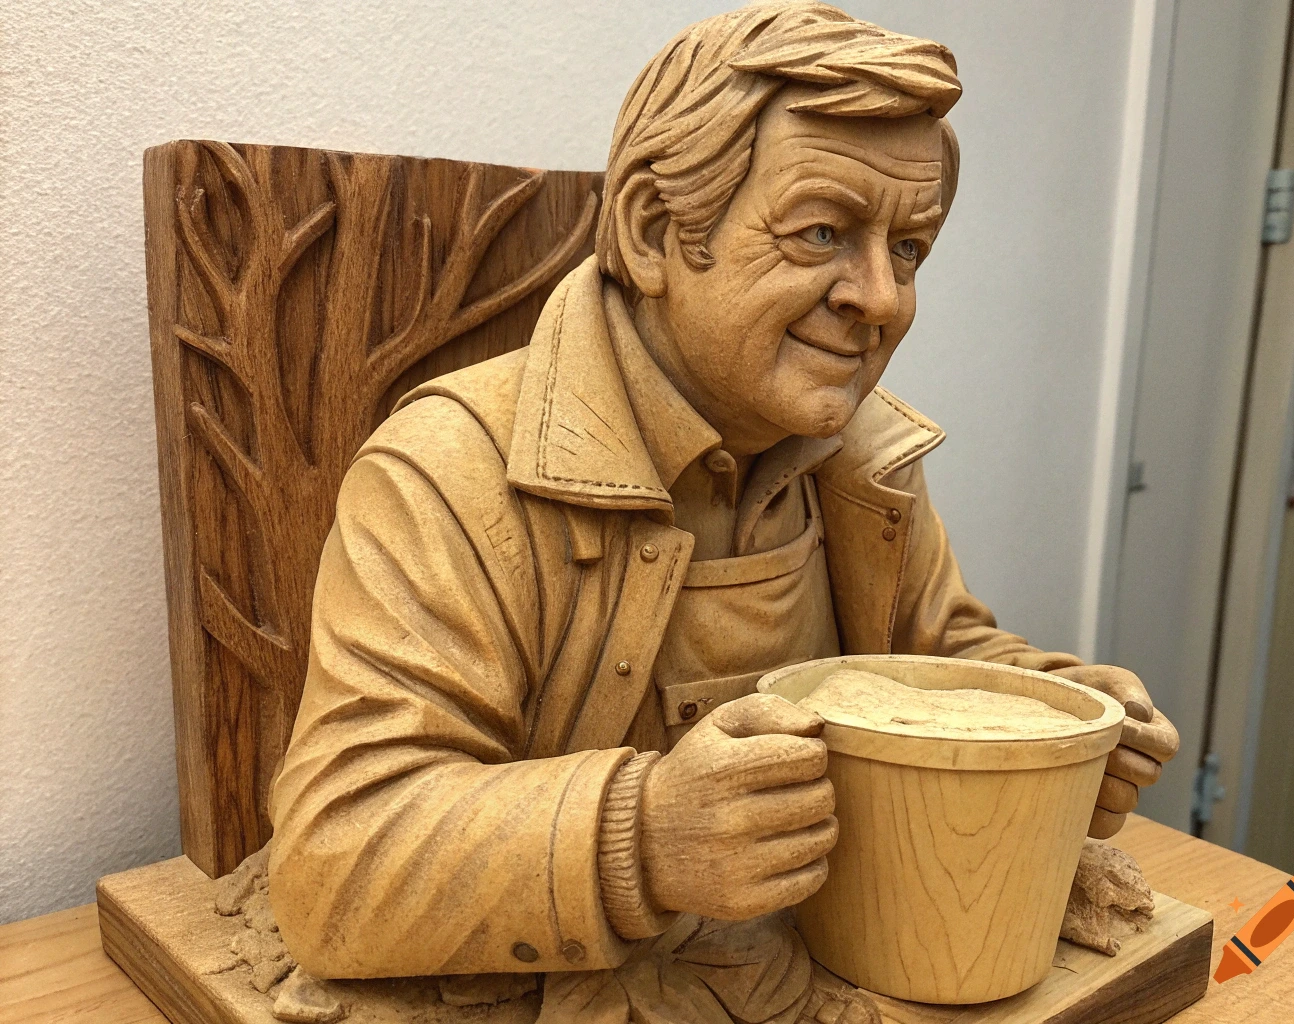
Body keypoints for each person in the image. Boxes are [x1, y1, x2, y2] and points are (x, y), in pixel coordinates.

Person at [267, 3, 1179, 1017]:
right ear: (657, 232)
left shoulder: (865, 459)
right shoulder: (451, 473)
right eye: (824, 231)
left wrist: (1058, 717)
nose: (881, 297)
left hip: (833, 949)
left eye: (910, 249)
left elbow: (942, 655)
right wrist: (644, 837)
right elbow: (334, 855)